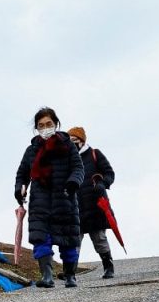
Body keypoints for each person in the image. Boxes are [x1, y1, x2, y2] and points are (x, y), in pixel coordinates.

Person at [14, 107, 85, 288]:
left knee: (68, 239)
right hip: (40, 202)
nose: (45, 128)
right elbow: (22, 174)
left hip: (65, 199)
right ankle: (47, 276)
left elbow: (78, 168)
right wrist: (19, 190)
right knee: (40, 238)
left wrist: (72, 182)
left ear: (56, 124)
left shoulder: (68, 145)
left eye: (49, 124)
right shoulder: (31, 150)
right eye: (41, 125)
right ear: (37, 128)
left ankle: (70, 276)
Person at [68, 126, 117, 279]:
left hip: (96, 205)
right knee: (74, 242)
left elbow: (109, 173)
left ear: (82, 141)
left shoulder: (95, 154)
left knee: (99, 239)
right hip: (75, 207)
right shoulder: (67, 160)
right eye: (70, 141)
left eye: (75, 140)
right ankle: (71, 272)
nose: (73, 143)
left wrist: (103, 183)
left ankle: (108, 267)